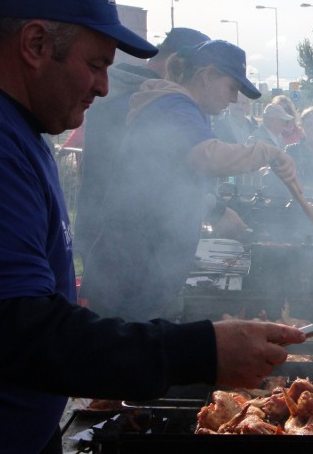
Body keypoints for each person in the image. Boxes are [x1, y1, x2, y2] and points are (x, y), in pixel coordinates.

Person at [0, 0, 304, 454]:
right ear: (36, 44)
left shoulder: (8, 125)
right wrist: (197, 350)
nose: (105, 87)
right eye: (95, 64)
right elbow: (16, 329)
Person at [81, 39, 297, 322]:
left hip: (147, 272)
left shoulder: (186, 110)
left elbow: (179, 182)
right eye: (232, 87)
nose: (234, 98)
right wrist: (267, 152)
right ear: (207, 76)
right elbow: (207, 156)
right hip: (130, 275)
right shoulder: (173, 104)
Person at [73, 26, 210, 258]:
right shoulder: (146, 102)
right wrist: (215, 209)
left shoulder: (121, 93)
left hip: (105, 229)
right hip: (123, 239)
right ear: (177, 62)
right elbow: (155, 176)